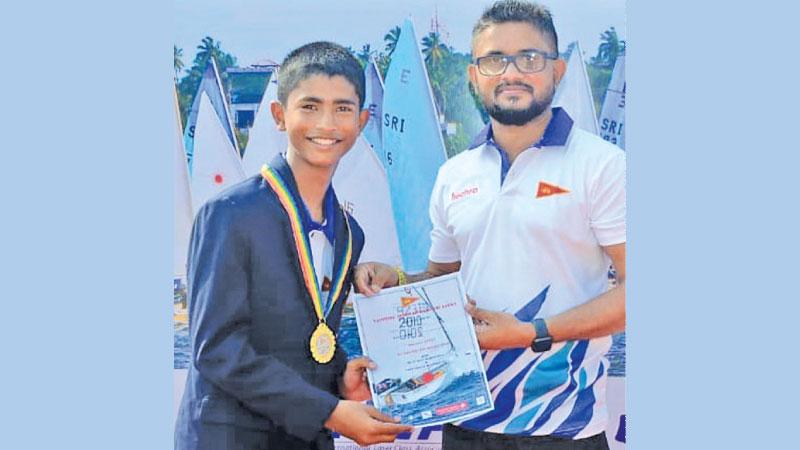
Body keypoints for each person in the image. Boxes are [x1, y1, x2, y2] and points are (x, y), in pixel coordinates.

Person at [354, 1, 625, 449]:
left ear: (556, 71)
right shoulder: (454, 174)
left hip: (563, 425)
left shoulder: (603, 166)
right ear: (474, 74)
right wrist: (396, 280)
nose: (511, 72)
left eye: (530, 59)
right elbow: (444, 282)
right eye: (494, 59)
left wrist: (531, 334)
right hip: (464, 418)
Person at [175, 41, 413, 450]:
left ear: (362, 120)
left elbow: (312, 336)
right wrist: (329, 412)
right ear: (279, 115)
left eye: (342, 108)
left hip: (302, 438)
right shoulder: (230, 213)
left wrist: (341, 376)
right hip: (228, 438)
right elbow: (218, 349)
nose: (327, 123)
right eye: (309, 106)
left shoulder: (350, 232)